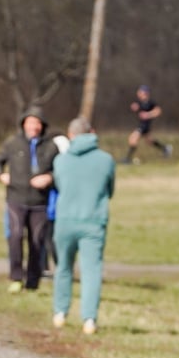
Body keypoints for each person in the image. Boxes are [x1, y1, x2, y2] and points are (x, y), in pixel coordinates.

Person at [52, 117, 115, 335]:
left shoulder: (60, 161)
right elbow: (110, 189)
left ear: (70, 135)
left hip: (65, 220)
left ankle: (60, 313)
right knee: (91, 270)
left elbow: (59, 185)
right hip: (93, 221)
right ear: (92, 132)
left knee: (63, 267)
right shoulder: (106, 160)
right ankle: (89, 319)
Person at [0, 106, 57, 293]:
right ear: (23, 124)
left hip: (40, 201)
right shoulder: (13, 143)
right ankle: (16, 276)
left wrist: (49, 178)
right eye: (30, 122)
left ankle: (33, 281)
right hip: (16, 198)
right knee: (15, 235)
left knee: (37, 241)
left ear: (42, 125)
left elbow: (60, 169)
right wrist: (1, 175)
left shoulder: (51, 146)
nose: (33, 127)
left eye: (37, 123)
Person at [124, 85, 172, 164]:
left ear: (145, 93)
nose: (138, 93)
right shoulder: (140, 102)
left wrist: (148, 115)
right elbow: (137, 107)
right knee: (149, 141)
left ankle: (128, 159)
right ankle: (165, 148)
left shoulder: (150, 102)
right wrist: (135, 107)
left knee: (133, 138)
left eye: (140, 92)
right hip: (142, 124)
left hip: (145, 125)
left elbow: (158, 111)